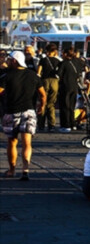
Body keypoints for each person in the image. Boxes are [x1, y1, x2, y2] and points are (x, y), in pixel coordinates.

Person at [1, 51, 45, 181]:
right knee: (27, 143)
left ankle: (12, 170)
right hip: (29, 111)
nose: (7, 61)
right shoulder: (33, 75)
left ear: (15, 61)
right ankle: (25, 170)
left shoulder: (6, 76)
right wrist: (41, 105)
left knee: (12, 142)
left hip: (11, 112)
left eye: (9, 59)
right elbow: (42, 94)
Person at [56, 48, 85, 132]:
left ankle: (66, 125)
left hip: (65, 86)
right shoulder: (78, 62)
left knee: (65, 106)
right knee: (72, 106)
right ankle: (73, 124)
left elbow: (58, 75)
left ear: (65, 54)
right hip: (74, 86)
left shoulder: (63, 63)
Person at [36, 43, 61, 132]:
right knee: (51, 104)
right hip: (54, 82)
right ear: (54, 51)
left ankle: (41, 124)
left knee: (43, 103)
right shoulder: (58, 61)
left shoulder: (43, 60)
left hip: (45, 81)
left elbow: (38, 72)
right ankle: (52, 125)